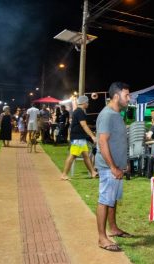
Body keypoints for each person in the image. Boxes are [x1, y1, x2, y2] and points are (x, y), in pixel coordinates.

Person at [95, 81, 132, 252]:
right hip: (109, 167)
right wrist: (113, 167)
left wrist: (124, 164)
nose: (129, 99)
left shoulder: (118, 114)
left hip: (117, 166)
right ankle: (102, 238)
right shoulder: (107, 115)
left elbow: (119, 141)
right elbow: (102, 142)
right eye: (126, 95)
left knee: (113, 199)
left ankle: (114, 228)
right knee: (105, 200)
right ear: (116, 96)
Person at [60, 95, 98, 180]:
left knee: (86, 156)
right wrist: (92, 136)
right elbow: (84, 125)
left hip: (80, 137)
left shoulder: (78, 111)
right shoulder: (79, 112)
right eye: (87, 102)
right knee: (72, 155)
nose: (88, 104)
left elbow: (83, 125)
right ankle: (64, 174)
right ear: (84, 103)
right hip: (78, 138)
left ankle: (93, 172)